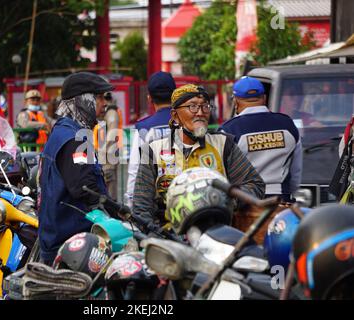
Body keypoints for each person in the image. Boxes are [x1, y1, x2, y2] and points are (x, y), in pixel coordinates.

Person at [132, 84, 265, 226]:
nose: (200, 112)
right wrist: (154, 234)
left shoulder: (224, 144)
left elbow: (255, 185)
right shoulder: (152, 150)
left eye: (205, 106)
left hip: (218, 232)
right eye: (193, 106)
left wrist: (223, 197)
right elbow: (141, 207)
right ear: (175, 116)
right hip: (171, 239)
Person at [38, 72, 116, 265]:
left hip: (59, 239)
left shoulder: (65, 130)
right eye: (98, 97)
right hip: (72, 246)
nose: (104, 104)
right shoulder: (76, 138)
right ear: (83, 100)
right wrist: (116, 212)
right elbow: (85, 189)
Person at [220, 76, 302, 203]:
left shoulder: (228, 130)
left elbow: (223, 174)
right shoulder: (287, 124)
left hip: (245, 203)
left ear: (235, 101)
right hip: (281, 200)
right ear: (264, 98)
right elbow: (296, 172)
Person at [125, 71, 176, 208]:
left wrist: (130, 203)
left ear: (149, 98)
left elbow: (135, 169)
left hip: (155, 202)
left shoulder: (144, 127)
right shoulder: (186, 122)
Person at [94, 91, 123, 200]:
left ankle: (111, 208)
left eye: (105, 98)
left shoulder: (111, 113)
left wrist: (102, 151)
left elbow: (111, 135)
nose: (104, 102)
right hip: (106, 153)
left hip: (108, 155)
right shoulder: (105, 114)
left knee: (109, 183)